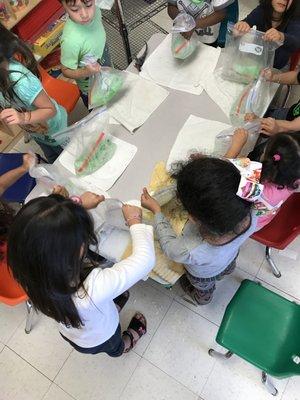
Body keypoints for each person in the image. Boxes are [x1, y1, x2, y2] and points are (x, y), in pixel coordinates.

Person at [8, 195, 155, 356]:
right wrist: (134, 220)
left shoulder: (30, 272)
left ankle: (109, 306)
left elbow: (45, 234)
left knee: (99, 305)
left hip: (72, 332)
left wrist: (73, 206)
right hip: (101, 336)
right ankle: (126, 344)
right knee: (115, 347)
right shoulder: (93, 289)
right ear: (74, 251)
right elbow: (145, 260)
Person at [141, 156, 257, 306]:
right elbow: (227, 185)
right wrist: (209, 171)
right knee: (227, 268)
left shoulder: (191, 249)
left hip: (202, 276)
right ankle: (226, 272)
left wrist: (157, 211)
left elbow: (169, 247)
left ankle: (203, 298)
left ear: (193, 218)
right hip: (229, 258)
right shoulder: (250, 211)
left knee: (204, 289)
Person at [0, 29, 68, 163]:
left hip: (55, 131)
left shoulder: (21, 82)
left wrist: (22, 117)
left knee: (67, 160)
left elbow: (50, 110)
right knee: (53, 158)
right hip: (37, 132)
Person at [225, 129, 300, 230]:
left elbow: (219, 170)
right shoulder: (295, 181)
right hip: (263, 220)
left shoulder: (253, 181)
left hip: (242, 225)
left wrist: (236, 146)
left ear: (267, 157)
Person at [59, 0, 111, 109]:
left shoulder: (96, 11)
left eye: (88, 5)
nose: (85, 14)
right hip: (91, 89)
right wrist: (86, 72)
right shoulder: (70, 40)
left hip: (106, 71)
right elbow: (66, 71)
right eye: (74, 9)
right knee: (100, 115)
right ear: (63, 5)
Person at [234, 0, 300, 69]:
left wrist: (281, 36)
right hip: (256, 58)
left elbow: (296, 41)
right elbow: (246, 22)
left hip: (278, 66)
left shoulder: (295, 17)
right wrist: (241, 26)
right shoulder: (262, 9)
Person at [167, 0, 239, 47]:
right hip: (183, 32)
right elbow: (171, 6)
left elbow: (220, 14)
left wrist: (194, 25)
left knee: (205, 55)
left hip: (208, 35)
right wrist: (181, 20)